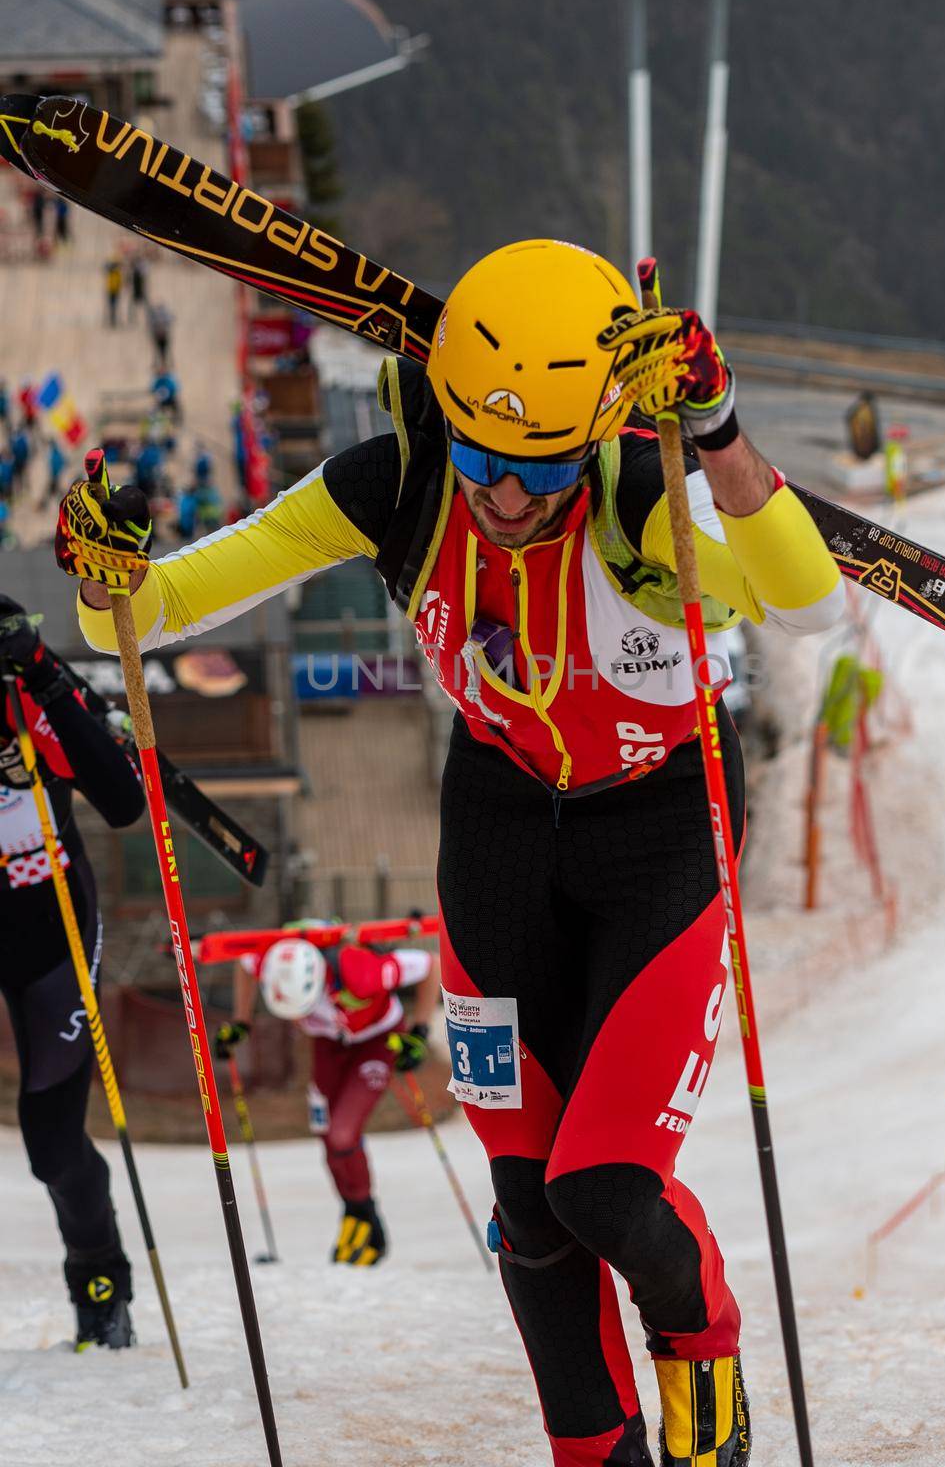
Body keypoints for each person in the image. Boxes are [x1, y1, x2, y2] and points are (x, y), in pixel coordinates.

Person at [60, 239, 844, 1466]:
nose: (510, 498)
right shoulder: (401, 486)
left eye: (540, 469)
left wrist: (723, 429)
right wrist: (106, 578)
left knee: (606, 1188)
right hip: (496, 825)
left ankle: (702, 1355)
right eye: (485, 458)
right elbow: (150, 613)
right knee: (529, 1206)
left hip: (659, 826)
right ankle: (593, 1451)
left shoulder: (642, 491)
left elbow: (809, 603)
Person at [0, 598, 145, 1350]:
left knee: (53, 1145)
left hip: (47, 922)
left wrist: (44, 672)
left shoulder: (19, 691)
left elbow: (123, 803)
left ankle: (100, 1286)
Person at [213, 925, 440, 1265]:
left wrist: (420, 1030)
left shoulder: (361, 972)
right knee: (324, 1132)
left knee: (343, 1132)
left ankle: (367, 1218)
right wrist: (241, 1021)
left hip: (376, 1040)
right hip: (329, 1043)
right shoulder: (274, 961)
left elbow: (430, 964)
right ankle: (354, 1212)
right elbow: (245, 964)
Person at [104, 260, 122, 328]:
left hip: (115, 291)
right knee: (112, 307)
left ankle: (113, 320)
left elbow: (119, 281)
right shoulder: (112, 273)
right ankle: (112, 320)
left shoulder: (116, 273)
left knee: (114, 306)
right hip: (111, 291)